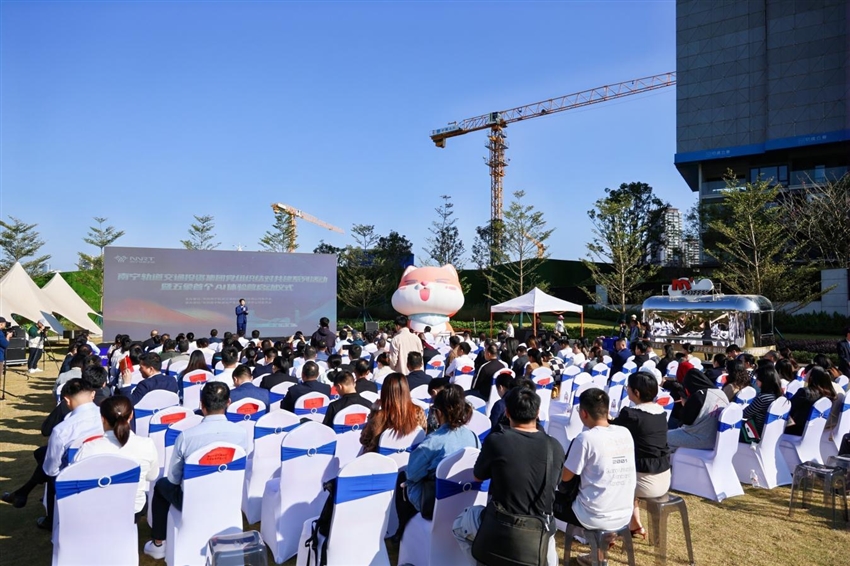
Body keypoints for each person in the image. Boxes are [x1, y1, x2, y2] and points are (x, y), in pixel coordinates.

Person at [453, 385, 564, 566]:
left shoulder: (497, 440)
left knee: (460, 525)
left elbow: (478, 476)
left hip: (502, 526)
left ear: (507, 412)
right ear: (537, 413)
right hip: (540, 532)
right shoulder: (555, 447)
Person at [143, 382, 249, 559]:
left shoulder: (186, 437)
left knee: (161, 485)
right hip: (228, 495)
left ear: (201, 405)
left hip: (192, 500)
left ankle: (158, 543)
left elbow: (173, 479)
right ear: (228, 402)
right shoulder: (241, 433)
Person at [394, 385, 480, 538]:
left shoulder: (432, 442)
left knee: (403, 477)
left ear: (439, 413)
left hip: (435, 503)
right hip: (466, 499)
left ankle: (402, 530)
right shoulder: (473, 437)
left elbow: (412, 474)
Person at [74, 395, 158, 515]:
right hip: (134, 509)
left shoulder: (88, 449)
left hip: (95, 510)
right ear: (131, 415)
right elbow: (152, 476)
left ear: (102, 418)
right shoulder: (147, 445)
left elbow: (74, 480)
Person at [39, 378, 104, 529]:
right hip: (110, 475)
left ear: (67, 400)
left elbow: (51, 469)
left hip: (74, 483)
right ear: (93, 394)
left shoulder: (62, 430)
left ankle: (52, 520)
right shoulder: (110, 417)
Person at [611, 372, 670, 538]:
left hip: (643, 480)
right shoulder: (661, 413)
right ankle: (634, 523)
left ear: (636, 392)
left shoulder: (631, 414)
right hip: (664, 476)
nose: (627, 391)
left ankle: (609, 529)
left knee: (613, 475)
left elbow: (612, 430)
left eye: (628, 388)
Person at [360, 373, 427, 453]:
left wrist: (373, 413)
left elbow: (364, 440)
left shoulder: (379, 417)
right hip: (411, 458)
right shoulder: (418, 412)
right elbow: (423, 434)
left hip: (381, 460)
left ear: (384, 392)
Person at [668, 369, 729, 450]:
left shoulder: (699, 396)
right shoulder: (720, 392)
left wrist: (685, 404)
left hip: (701, 438)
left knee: (664, 438)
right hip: (717, 438)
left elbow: (686, 420)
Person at [786, 366, 838, 436]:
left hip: (797, 429)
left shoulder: (804, 392)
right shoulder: (828, 394)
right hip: (815, 431)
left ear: (811, 377)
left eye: (808, 372)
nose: (806, 373)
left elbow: (789, 407)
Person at [741, 364, 783, 441]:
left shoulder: (762, 398)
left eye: (757, 378)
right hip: (772, 434)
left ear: (764, 381)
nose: (756, 380)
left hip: (756, 433)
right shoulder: (780, 397)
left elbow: (745, 413)